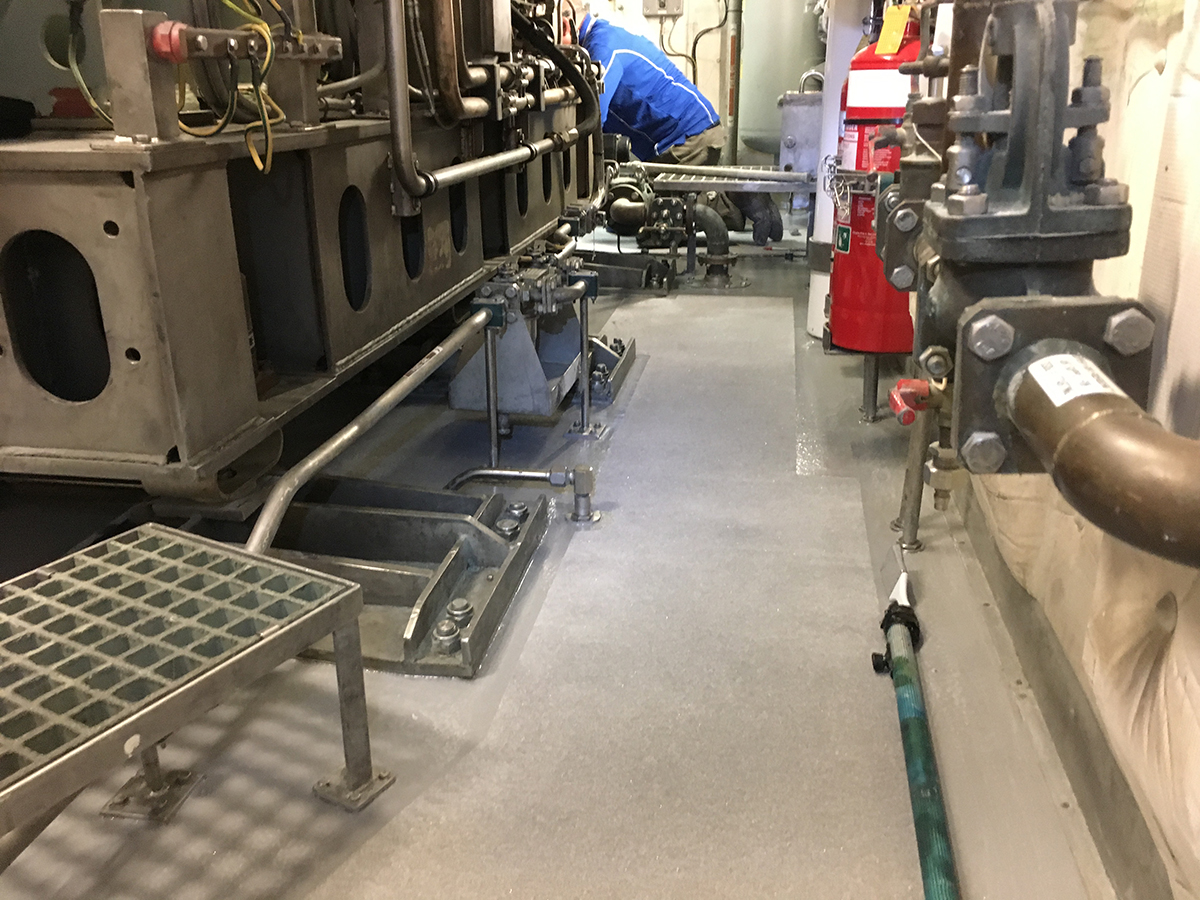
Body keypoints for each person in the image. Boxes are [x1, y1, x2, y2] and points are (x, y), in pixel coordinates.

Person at [577, 10, 783, 245]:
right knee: (621, 221)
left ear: (564, 24)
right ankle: (725, 198)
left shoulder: (603, 46)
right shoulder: (600, 42)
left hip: (690, 139)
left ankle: (735, 196)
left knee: (657, 226)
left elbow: (594, 117)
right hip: (677, 143)